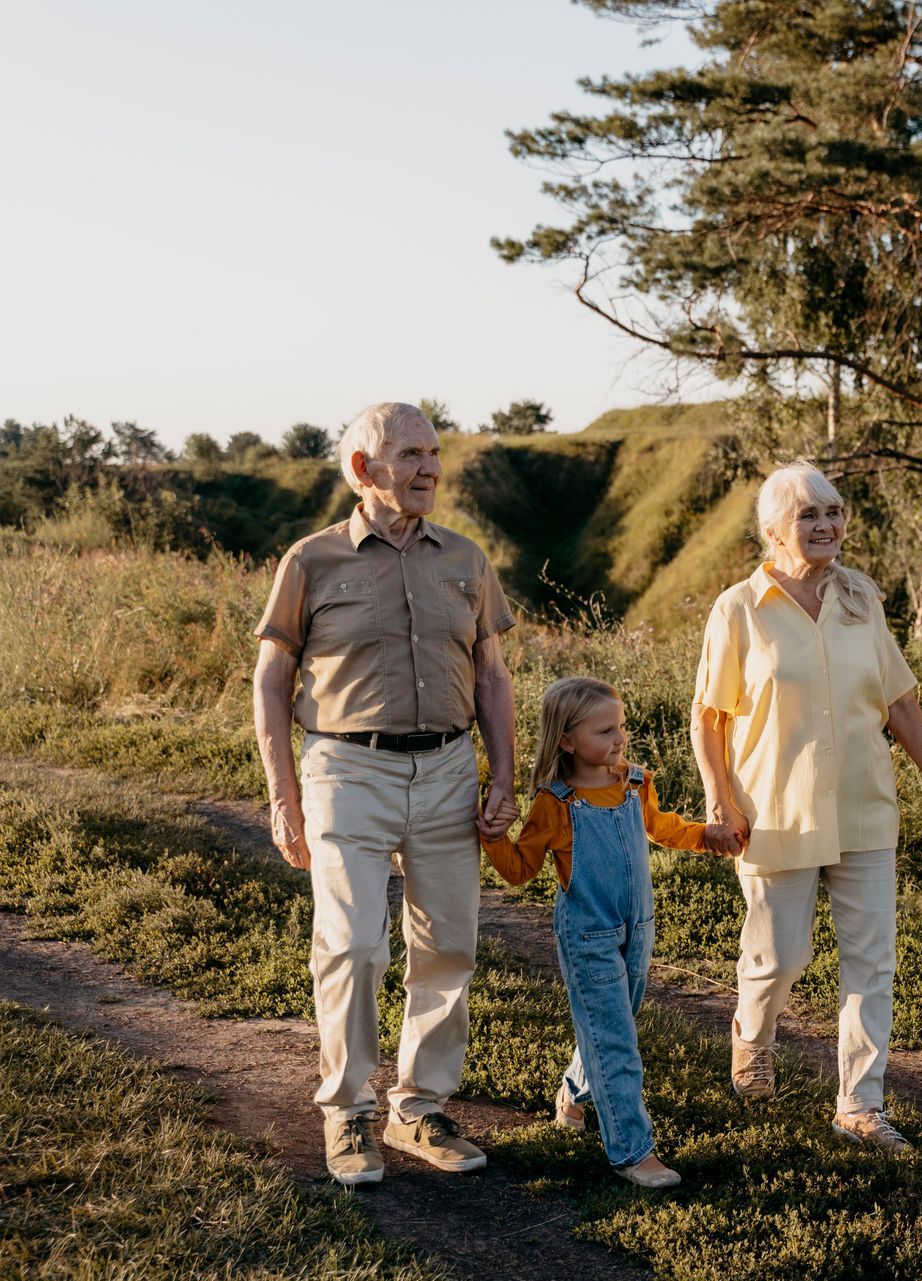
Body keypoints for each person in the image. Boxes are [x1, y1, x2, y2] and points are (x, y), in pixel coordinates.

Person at [252, 402, 519, 1187]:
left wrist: (502, 775)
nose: (431, 468)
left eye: (435, 452)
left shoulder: (465, 559)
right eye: (411, 454)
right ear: (364, 469)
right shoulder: (311, 560)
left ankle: (418, 1107)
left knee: (448, 948)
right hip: (346, 768)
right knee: (355, 944)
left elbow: (493, 676)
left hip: (446, 770)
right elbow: (272, 679)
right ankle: (347, 1110)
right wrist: (280, 793)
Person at [689, 460, 922, 1152]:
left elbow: (899, 701)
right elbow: (708, 715)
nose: (826, 525)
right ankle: (752, 1040)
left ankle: (859, 1103)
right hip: (774, 812)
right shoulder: (739, 608)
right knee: (779, 955)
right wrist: (718, 798)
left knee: (872, 961)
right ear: (773, 530)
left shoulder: (861, 600)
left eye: (835, 511)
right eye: (809, 514)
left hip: (863, 806)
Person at [483, 676, 739, 1188]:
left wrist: (706, 836)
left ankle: (574, 1092)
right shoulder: (555, 804)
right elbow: (519, 870)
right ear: (567, 740)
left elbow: (662, 826)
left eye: (620, 726)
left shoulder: (635, 783)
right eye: (605, 731)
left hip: (639, 933)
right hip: (588, 940)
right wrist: (492, 837)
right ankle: (632, 1151)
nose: (619, 738)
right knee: (618, 1043)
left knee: (611, 1026)